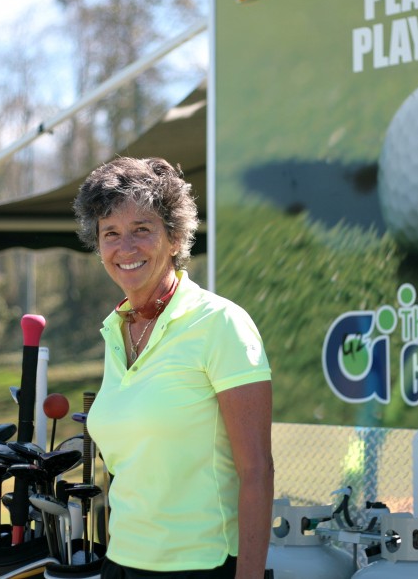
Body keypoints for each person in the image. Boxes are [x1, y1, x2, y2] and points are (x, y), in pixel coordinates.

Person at [73, 157, 273, 579]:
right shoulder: (116, 330)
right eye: (110, 233)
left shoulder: (220, 323)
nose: (125, 248)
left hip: (202, 566)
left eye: (141, 230)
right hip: (122, 562)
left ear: (175, 237)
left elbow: (256, 470)